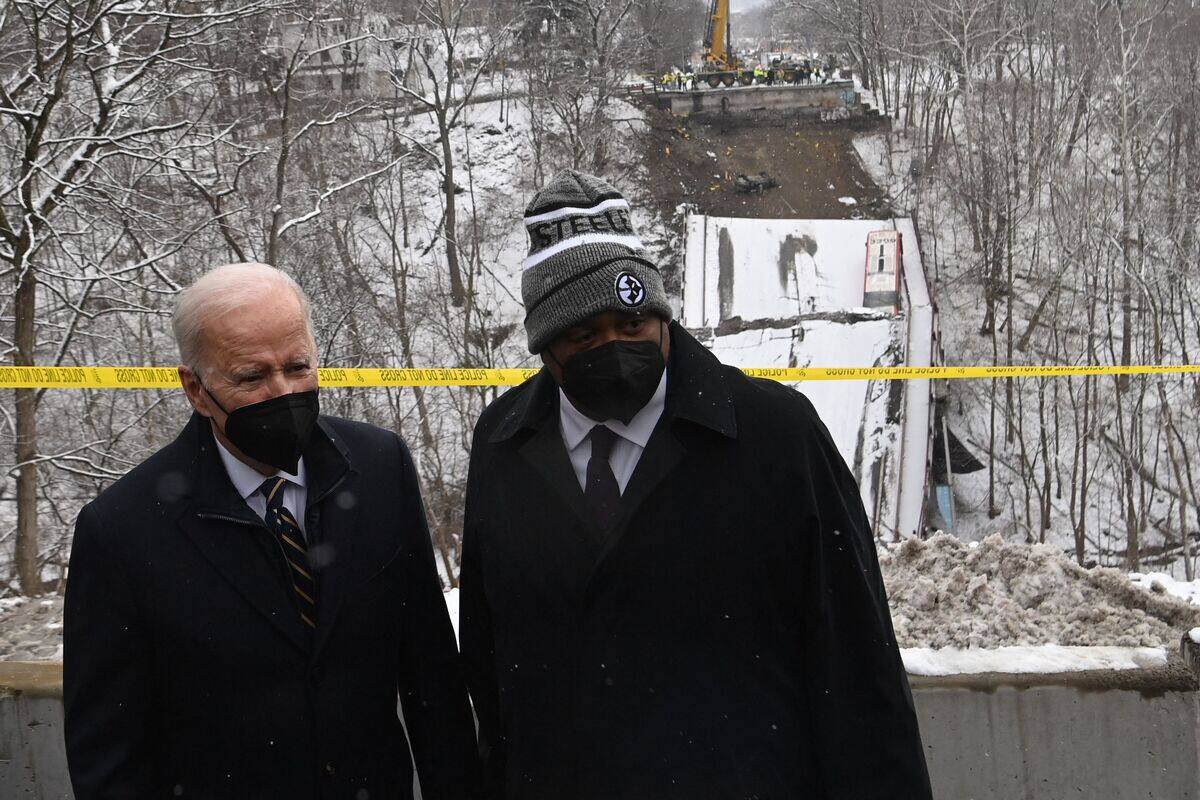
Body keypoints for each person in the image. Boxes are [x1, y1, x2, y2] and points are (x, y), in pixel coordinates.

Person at [459, 171, 932, 800]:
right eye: (585, 336)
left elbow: (859, 667)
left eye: (632, 324)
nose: (615, 346)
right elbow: (489, 665)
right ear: (546, 346)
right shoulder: (502, 445)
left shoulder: (775, 435)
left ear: (661, 315)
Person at [63, 263, 482, 799]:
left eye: (298, 366)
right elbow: (107, 753)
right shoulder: (121, 530)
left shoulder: (380, 467)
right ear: (195, 388)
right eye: (251, 377)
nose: (283, 392)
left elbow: (431, 674)